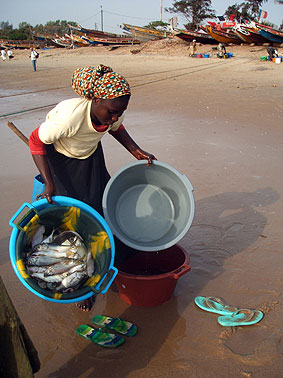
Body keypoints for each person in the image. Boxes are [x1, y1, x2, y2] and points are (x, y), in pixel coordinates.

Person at [29, 64, 157, 311]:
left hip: (91, 157)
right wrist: (49, 181)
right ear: (95, 100)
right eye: (110, 111)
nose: (114, 117)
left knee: (102, 205)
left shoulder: (114, 111)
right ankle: (80, 288)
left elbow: (116, 128)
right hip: (62, 161)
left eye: (119, 112)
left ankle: (111, 259)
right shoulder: (69, 117)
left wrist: (135, 150)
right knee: (73, 217)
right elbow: (36, 142)